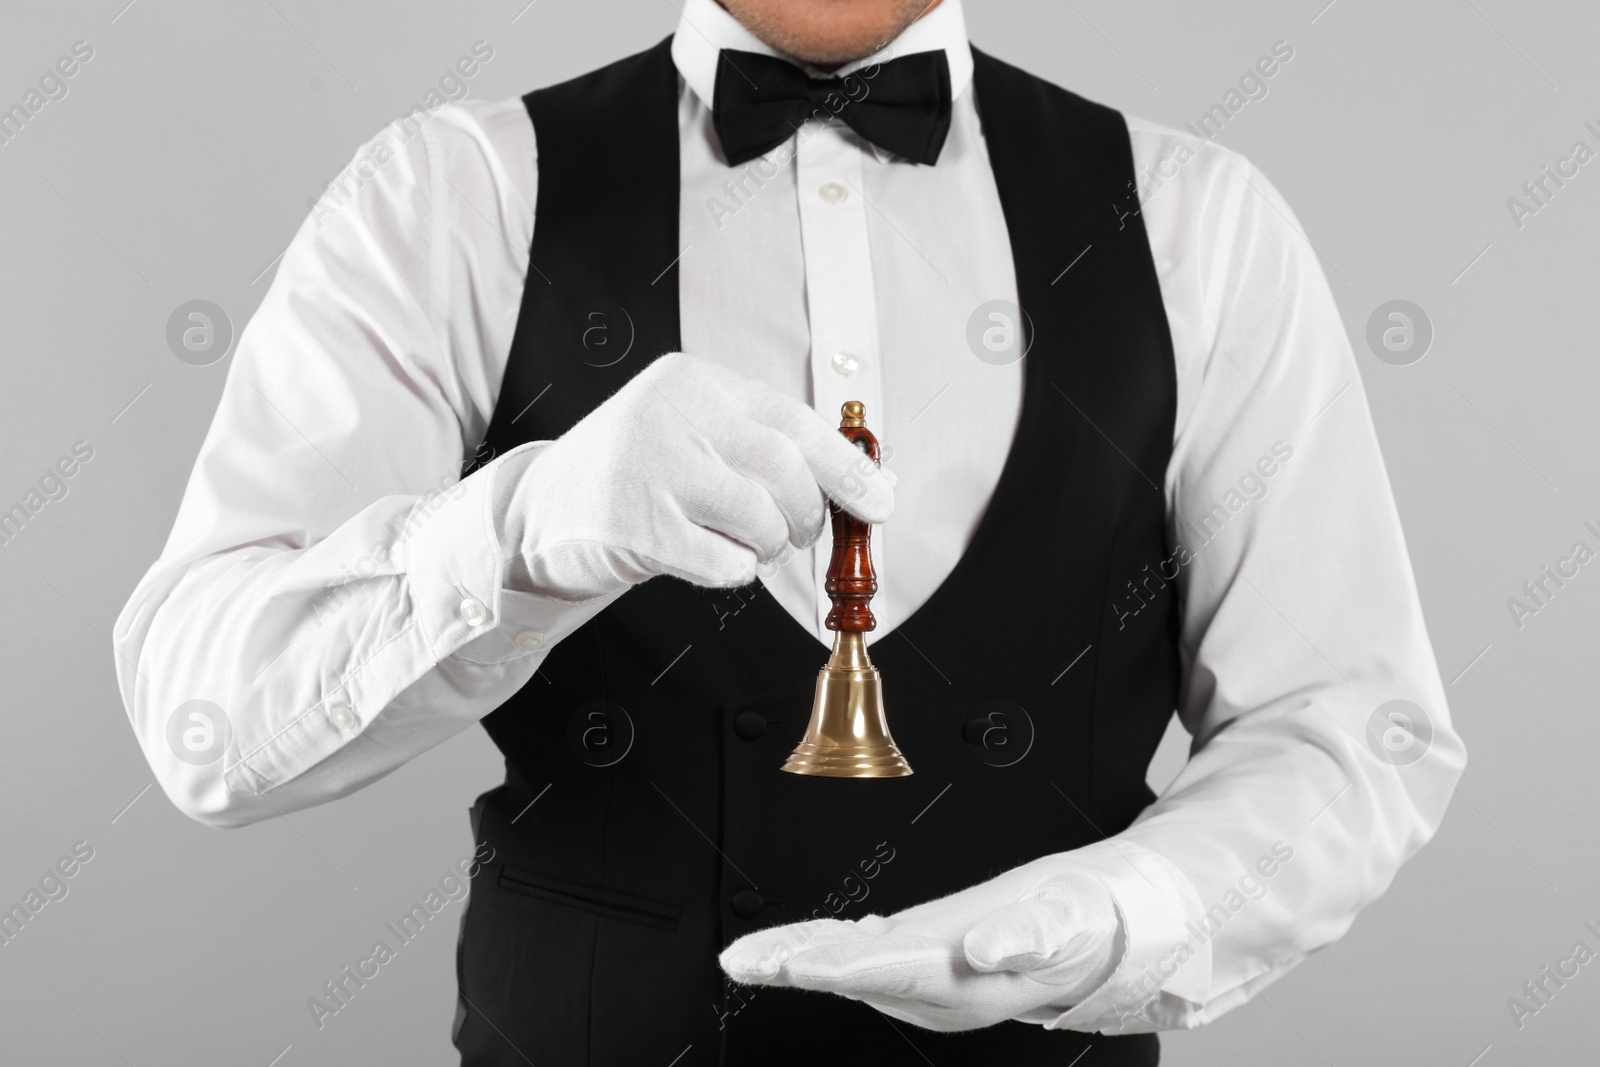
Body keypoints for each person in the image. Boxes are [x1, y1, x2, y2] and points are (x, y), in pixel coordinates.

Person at [113, 0, 1466, 1063]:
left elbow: (1349, 730)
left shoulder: (1201, 223)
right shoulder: (449, 198)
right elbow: (207, 724)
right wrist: (520, 529)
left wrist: (1127, 916)